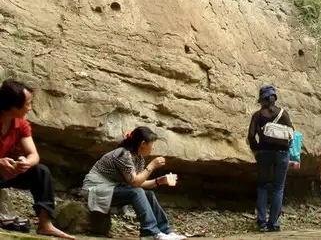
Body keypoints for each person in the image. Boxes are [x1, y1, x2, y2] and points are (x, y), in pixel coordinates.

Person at [0, 79, 74, 239]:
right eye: (27, 104)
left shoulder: (21, 124)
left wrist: (25, 163)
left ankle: (45, 224)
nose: (30, 108)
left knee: (41, 171)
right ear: (13, 106)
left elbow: (34, 155)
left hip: (4, 173)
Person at [82, 126, 185, 240]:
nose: (153, 147)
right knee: (137, 192)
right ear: (143, 144)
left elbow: (138, 182)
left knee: (148, 194)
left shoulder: (139, 159)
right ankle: (150, 232)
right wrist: (152, 166)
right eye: (152, 144)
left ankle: (166, 231)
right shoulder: (122, 154)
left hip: (112, 189)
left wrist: (158, 181)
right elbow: (135, 183)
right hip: (95, 189)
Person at [247, 85, 293, 233]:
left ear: (262, 100)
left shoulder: (258, 115)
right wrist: (286, 149)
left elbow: (251, 136)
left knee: (263, 186)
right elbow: (291, 134)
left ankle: (262, 222)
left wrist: (256, 150)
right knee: (278, 188)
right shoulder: (284, 114)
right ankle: (274, 223)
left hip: (265, 153)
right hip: (282, 153)